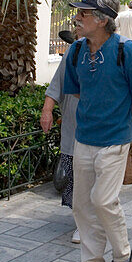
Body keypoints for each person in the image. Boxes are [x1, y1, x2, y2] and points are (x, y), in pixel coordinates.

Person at [62, 0, 132, 262]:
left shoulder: (126, 51)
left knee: (102, 200)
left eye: (83, 13)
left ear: (102, 20)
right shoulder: (76, 50)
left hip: (115, 139)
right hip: (85, 137)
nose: (77, 18)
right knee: (81, 204)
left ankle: (123, 254)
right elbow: (75, 90)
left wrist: (123, 125)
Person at [41, 26, 82, 243]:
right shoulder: (73, 51)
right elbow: (57, 82)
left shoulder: (115, 51)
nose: (77, 27)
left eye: (82, 20)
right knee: (75, 175)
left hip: (100, 131)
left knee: (93, 178)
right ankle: (82, 222)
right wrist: (47, 110)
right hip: (72, 126)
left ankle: (88, 224)